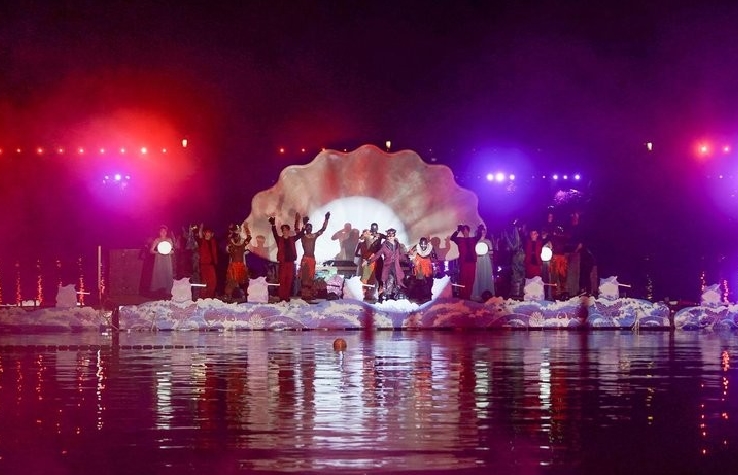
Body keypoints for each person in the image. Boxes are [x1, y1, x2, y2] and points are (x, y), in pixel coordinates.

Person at [270, 213, 305, 302]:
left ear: (289, 231)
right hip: (283, 263)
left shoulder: (292, 239)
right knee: (282, 280)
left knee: (289, 280)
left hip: (290, 263)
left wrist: (304, 225)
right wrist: (273, 224)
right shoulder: (279, 239)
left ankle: (286, 297)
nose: (285, 231)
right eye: (283, 230)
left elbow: (301, 234)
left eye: (286, 230)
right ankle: (282, 297)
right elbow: (274, 233)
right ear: (282, 231)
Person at [297, 212, 330, 300]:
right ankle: (304, 294)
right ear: (305, 228)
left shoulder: (314, 235)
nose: (309, 229)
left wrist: (326, 219)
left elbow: (323, 229)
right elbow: (297, 230)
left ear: (312, 229)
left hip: (312, 259)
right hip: (305, 259)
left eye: (310, 227)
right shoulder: (303, 236)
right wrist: (300, 221)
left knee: (310, 277)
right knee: (304, 277)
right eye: (307, 227)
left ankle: (309, 294)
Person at [366, 228, 406, 302]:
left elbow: (399, 255)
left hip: (396, 266)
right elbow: (378, 254)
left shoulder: (397, 244)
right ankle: (387, 295)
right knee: (390, 279)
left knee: (396, 281)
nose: (390, 237)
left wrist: (407, 258)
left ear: (394, 236)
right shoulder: (384, 245)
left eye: (392, 236)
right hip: (388, 266)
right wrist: (370, 261)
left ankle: (393, 295)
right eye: (389, 235)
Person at [450, 224, 483, 300]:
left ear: (468, 231)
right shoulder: (459, 240)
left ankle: (468, 296)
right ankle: (463, 296)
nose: (464, 231)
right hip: (463, 263)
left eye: (466, 230)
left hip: (472, 262)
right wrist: (458, 230)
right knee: (463, 279)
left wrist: (480, 230)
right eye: (463, 230)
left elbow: (478, 236)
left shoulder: (473, 239)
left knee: (471, 279)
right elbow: (452, 238)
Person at [224, 222, 252, 302]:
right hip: (233, 266)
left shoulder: (243, 244)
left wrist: (246, 228)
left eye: (239, 231)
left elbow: (249, 237)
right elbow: (228, 237)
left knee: (244, 281)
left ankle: (246, 297)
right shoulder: (230, 242)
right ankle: (229, 297)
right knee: (231, 282)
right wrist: (230, 229)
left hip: (241, 266)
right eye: (236, 231)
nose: (238, 233)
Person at [408, 236, 436, 302]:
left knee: (429, 279)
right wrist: (412, 259)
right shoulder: (416, 246)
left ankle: (429, 295)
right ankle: (419, 296)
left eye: (425, 244)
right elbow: (410, 253)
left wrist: (434, 259)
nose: (423, 246)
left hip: (427, 263)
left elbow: (434, 256)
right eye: (422, 244)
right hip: (419, 263)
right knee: (419, 281)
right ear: (420, 243)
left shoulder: (430, 247)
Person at [149, 225, 175, 298]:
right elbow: (151, 250)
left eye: (164, 231)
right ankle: (158, 289)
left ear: (166, 232)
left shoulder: (169, 240)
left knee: (168, 272)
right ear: (159, 232)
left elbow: (172, 250)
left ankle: (168, 290)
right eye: (161, 231)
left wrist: (168, 252)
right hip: (159, 258)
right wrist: (158, 252)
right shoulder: (157, 240)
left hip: (167, 258)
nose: (163, 233)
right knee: (159, 272)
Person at [472, 226, 495, 301]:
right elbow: (475, 251)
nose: (484, 232)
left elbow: (491, 252)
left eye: (484, 231)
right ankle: (478, 293)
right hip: (479, 260)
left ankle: (488, 293)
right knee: (479, 274)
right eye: (482, 231)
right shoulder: (476, 241)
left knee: (486, 274)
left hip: (486, 260)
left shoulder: (488, 241)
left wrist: (486, 251)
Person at [196, 225, 219, 299]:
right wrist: (201, 227)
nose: (208, 234)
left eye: (209, 233)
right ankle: (202, 297)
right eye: (207, 232)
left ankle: (209, 297)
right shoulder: (201, 241)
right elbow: (200, 235)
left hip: (211, 265)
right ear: (204, 233)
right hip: (204, 265)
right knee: (204, 282)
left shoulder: (213, 241)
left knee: (213, 282)